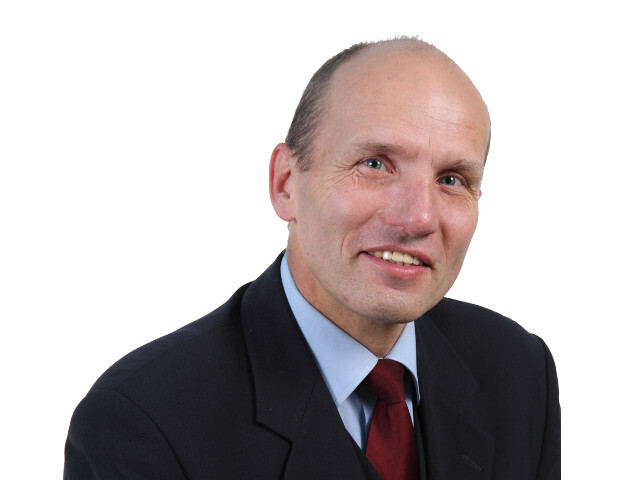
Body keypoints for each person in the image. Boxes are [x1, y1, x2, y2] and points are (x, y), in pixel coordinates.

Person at [64, 38, 560, 480]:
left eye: (452, 179)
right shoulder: (144, 421)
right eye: (375, 164)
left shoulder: (518, 373)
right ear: (286, 184)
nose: (420, 218)